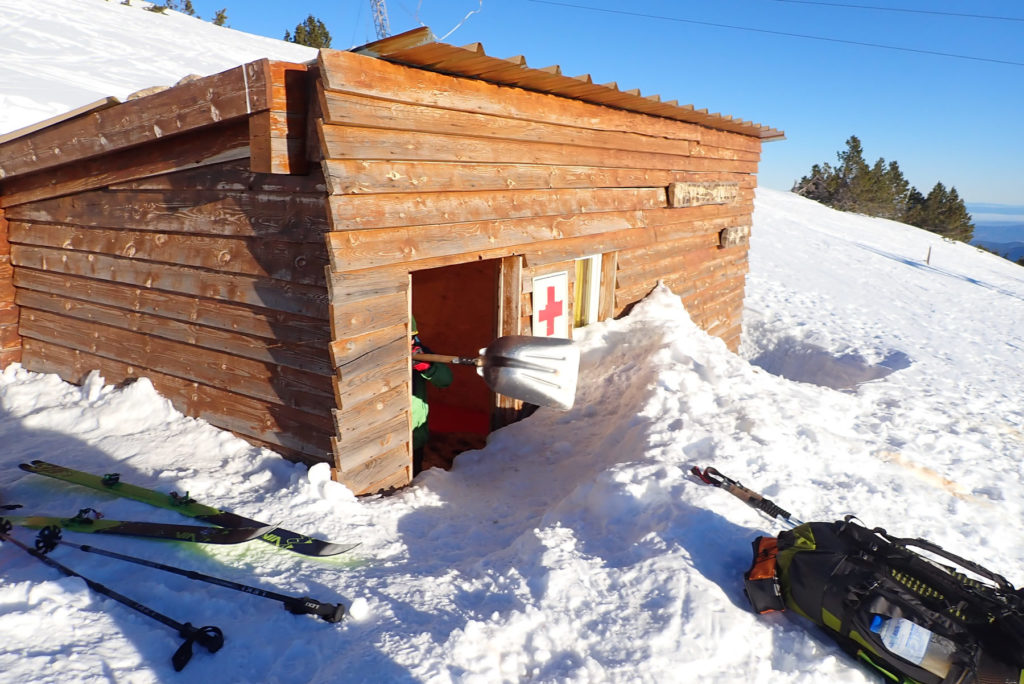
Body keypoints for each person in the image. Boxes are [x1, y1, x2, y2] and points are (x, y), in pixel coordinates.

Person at [409, 315, 452, 476]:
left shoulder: (422, 353)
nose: (411, 342)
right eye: (406, 338)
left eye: (413, 337)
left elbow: (445, 380)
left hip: (416, 435)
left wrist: (428, 368)